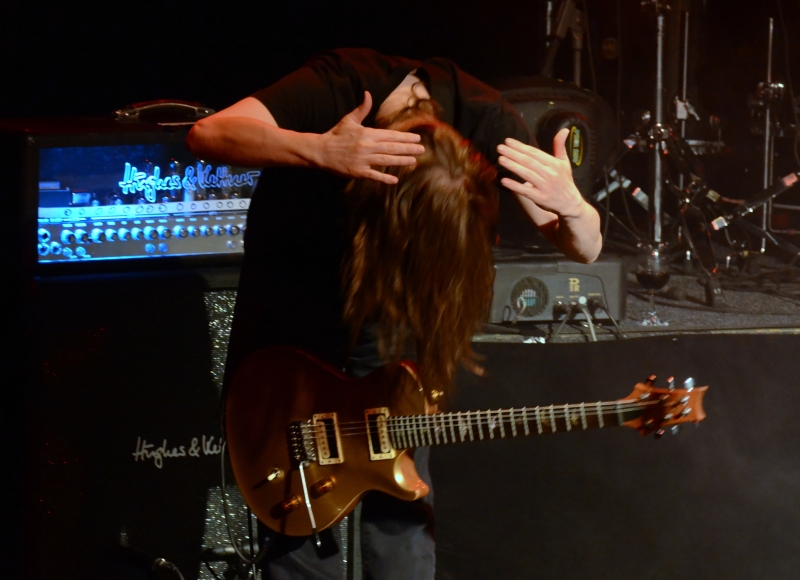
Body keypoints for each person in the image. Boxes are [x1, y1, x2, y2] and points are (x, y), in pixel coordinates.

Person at [186, 48, 601, 580]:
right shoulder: (339, 85)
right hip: (297, 325)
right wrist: (321, 150)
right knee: (299, 542)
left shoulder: (487, 120)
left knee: (403, 526)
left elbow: (585, 248)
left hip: (395, 327)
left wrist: (575, 207)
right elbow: (208, 135)